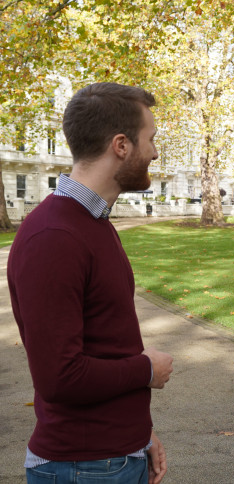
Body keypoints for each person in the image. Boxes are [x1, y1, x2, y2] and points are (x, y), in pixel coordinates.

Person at [7, 82, 174, 484]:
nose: (155, 152)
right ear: (121, 145)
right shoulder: (55, 236)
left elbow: (106, 343)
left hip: (114, 456)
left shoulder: (91, 222)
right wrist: (146, 369)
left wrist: (139, 433)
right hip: (83, 467)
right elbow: (59, 377)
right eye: (150, 139)